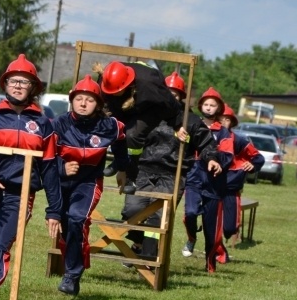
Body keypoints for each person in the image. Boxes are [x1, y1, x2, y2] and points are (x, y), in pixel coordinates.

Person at [0, 54, 62, 300]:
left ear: (33, 87)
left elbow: (49, 168)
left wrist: (54, 209)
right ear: (5, 84)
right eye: (13, 81)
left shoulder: (44, 124)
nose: (18, 86)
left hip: (21, 195)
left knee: (0, 245)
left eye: (24, 82)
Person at [122, 71, 218, 261]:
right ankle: (138, 243)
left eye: (175, 93)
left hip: (172, 174)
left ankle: (149, 257)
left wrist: (212, 159)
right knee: (132, 210)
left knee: (159, 215)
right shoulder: (148, 113)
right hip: (143, 169)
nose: (171, 96)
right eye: (168, 91)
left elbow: (207, 144)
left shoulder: (190, 120)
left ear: (181, 96)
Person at [52, 75, 129, 295]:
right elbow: (45, 155)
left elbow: (122, 138)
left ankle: (72, 275)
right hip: (62, 182)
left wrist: (121, 168)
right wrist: (62, 167)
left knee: (78, 217)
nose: (83, 103)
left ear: (99, 104)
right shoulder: (59, 123)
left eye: (89, 99)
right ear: (72, 100)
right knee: (67, 226)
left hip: (89, 182)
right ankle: (74, 268)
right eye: (79, 99)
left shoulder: (108, 125)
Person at [97, 61, 190, 194]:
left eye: (115, 91)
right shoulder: (105, 79)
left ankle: (131, 177)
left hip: (151, 108)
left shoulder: (151, 84)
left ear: (127, 84)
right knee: (114, 128)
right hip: (123, 104)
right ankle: (118, 162)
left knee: (132, 135)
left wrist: (177, 125)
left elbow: (171, 104)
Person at [182, 87, 233, 273]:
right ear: (200, 105)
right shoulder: (192, 124)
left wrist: (219, 163)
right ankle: (191, 238)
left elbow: (228, 154)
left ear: (218, 108)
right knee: (190, 213)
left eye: (213, 105)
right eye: (206, 104)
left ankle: (210, 264)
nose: (209, 107)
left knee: (211, 228)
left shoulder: (224, 132)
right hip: (193, 177)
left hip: (214, 182)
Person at [220, 104, 264, 247]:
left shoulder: (238, 141)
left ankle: (227, 236)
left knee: (230, 227)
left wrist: (253, 165)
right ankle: (214, 250)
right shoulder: (208, 137)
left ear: (232, 122)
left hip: (231, 187)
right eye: (220, 119)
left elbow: (258, 158)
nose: (223, 122)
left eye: (226, 119)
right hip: (210, 186)